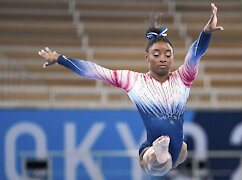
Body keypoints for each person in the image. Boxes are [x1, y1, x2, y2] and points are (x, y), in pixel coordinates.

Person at [38, 3, 223, 176]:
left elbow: (194, 55)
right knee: (155, 163)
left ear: (173, 58)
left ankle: (164, 154)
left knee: (181, 151)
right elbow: (95, 71)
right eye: (156, 54)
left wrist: (206, 32)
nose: (163, 58)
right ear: (147, 57)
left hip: (176, 147)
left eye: (168, 54)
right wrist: (61, 58)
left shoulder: (182, 77)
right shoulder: (134, 80)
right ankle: (159, 154)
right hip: (151, 146)